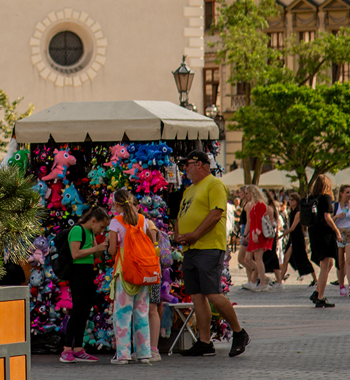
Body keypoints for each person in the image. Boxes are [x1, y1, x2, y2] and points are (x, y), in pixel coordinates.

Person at [172, 154, 248, 357]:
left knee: (213, 293)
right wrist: (178, 234)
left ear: (199, 164)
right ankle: (204, 342)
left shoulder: (214, 184)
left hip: (208, 247)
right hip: (191, 249)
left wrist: (195, 234)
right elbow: (181, 216)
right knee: (197, 296)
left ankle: (239, 332)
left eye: (186, 165)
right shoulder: (189, 190)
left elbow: (216, 214)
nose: (184, 169)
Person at [104, 189, 160, 364]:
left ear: (116, 205)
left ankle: (123, 355)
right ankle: (144, 353)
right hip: (143, 271)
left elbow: (112, 250)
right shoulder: (143, 220)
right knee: (142, 312)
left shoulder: (116, 222)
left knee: (122, 313)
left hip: (125, 271)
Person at [60, 206, 109, 363]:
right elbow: (76, 254)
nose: (101, 230)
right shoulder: (77, 230)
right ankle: (67, 348)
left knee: (85, 310)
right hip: (78, 271)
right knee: (78, 309)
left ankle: (78, 348)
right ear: (93, 220)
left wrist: (103, 245)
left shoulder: (90, 232)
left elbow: (95, 254)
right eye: (101, 226)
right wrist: (95, 248)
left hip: (88, 271)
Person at [305, 174, 340, 308]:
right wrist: (337, 231)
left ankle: (318, 292)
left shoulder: (312, 198)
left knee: (328, 263)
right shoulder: (326, 198)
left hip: (314, 232)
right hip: (324, 233)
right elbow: (327, 217)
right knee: (326, 265)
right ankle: (320, 297)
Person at [239, 186, 271, 292]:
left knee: (258, 258)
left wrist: (256, 233)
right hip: (253, 234)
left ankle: (262, 282)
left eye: (248, 193)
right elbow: (251, 220)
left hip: (258, 235)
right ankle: (259, 279)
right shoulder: (252, 205)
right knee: (248, 258)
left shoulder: (260, 204)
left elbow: (259, 220)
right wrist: (248, 234)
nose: (246, 195)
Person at [333, 185, 350, 297]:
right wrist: (337, 216)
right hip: (338, 233)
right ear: (341, 193)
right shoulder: (334, 206)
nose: (349, 195)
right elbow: (329, 220)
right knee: (340, 262)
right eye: (347, 192)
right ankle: (341, 285)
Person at [283, 193, 314, 282]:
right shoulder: (291, 212)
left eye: (292, 200)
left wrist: (282, 235)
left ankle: (315, 279)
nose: (290, 201)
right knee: (286, 258)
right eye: (289, 199)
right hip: (292, 237)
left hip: (297, 237)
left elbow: (293, 228)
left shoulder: (298, 213)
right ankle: (279, 280)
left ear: (297, 201)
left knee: (304, 259)